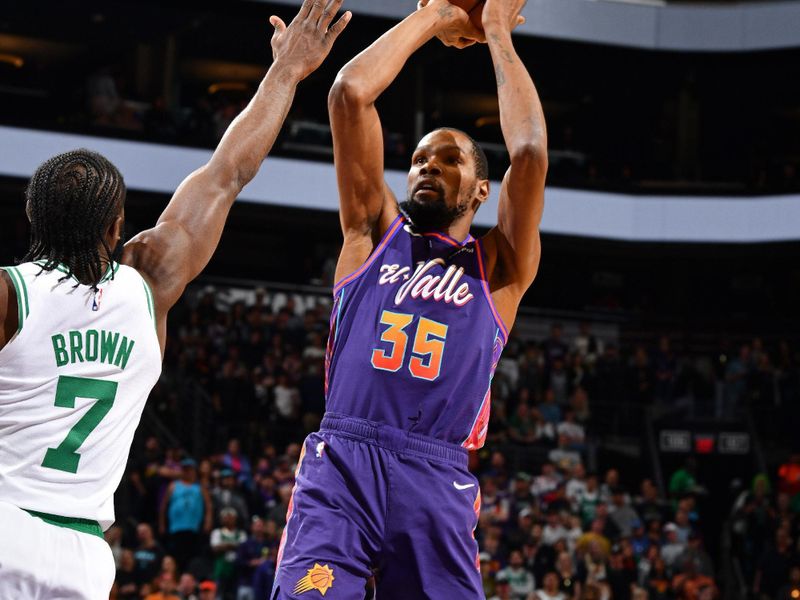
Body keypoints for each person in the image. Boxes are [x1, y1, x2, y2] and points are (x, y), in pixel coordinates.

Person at [0, 2, 350, 598]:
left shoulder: (11, 293)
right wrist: (286, 73)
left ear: (32, 216)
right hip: (83, 556)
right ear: (117, 226)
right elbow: (229, 171)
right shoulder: (150, 282)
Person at [273, 0, 546, 597]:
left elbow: (527, 153)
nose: (428, 166)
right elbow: (349, 94)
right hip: (343, 464)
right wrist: (438, 15)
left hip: (435, 474)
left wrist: (496, 27)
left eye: (449, 160)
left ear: (479, 190)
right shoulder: (372, 233)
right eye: (420, 157)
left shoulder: (498, 265)